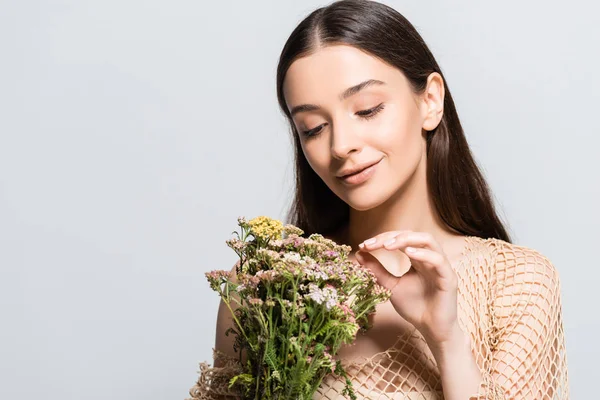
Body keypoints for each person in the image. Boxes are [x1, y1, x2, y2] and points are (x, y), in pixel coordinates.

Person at [188, 0, 569, 398]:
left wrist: (447, 340)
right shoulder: (265, 289)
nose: (341, 145)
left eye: (367, 110)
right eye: (313, 128)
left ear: (430, 101)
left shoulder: (517, 284)